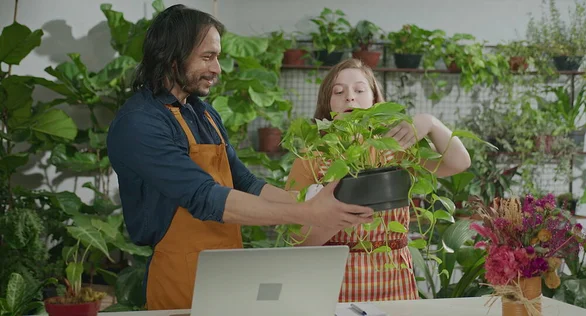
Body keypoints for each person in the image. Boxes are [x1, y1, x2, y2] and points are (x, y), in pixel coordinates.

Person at [106, 6, 374, 310]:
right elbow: (204, 197)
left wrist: (314, 204)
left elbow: (244, 181)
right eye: (207, 57)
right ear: (172, 58)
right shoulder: (140, 123)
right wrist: (309, 214)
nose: (218, 68)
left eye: (217, 57)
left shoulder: (203, 113)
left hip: (226, 269)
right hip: (179, 278)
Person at [285, 58, 472, 302]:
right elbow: (295, 239)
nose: (350, 98)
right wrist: (337, 217)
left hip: (394, 278)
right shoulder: (312, 157)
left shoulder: (396, 148)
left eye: (360, 90)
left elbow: (459, 163)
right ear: (326, 104)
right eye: (338, 91)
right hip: (334, 281)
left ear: (375, 100)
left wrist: (430, 123)